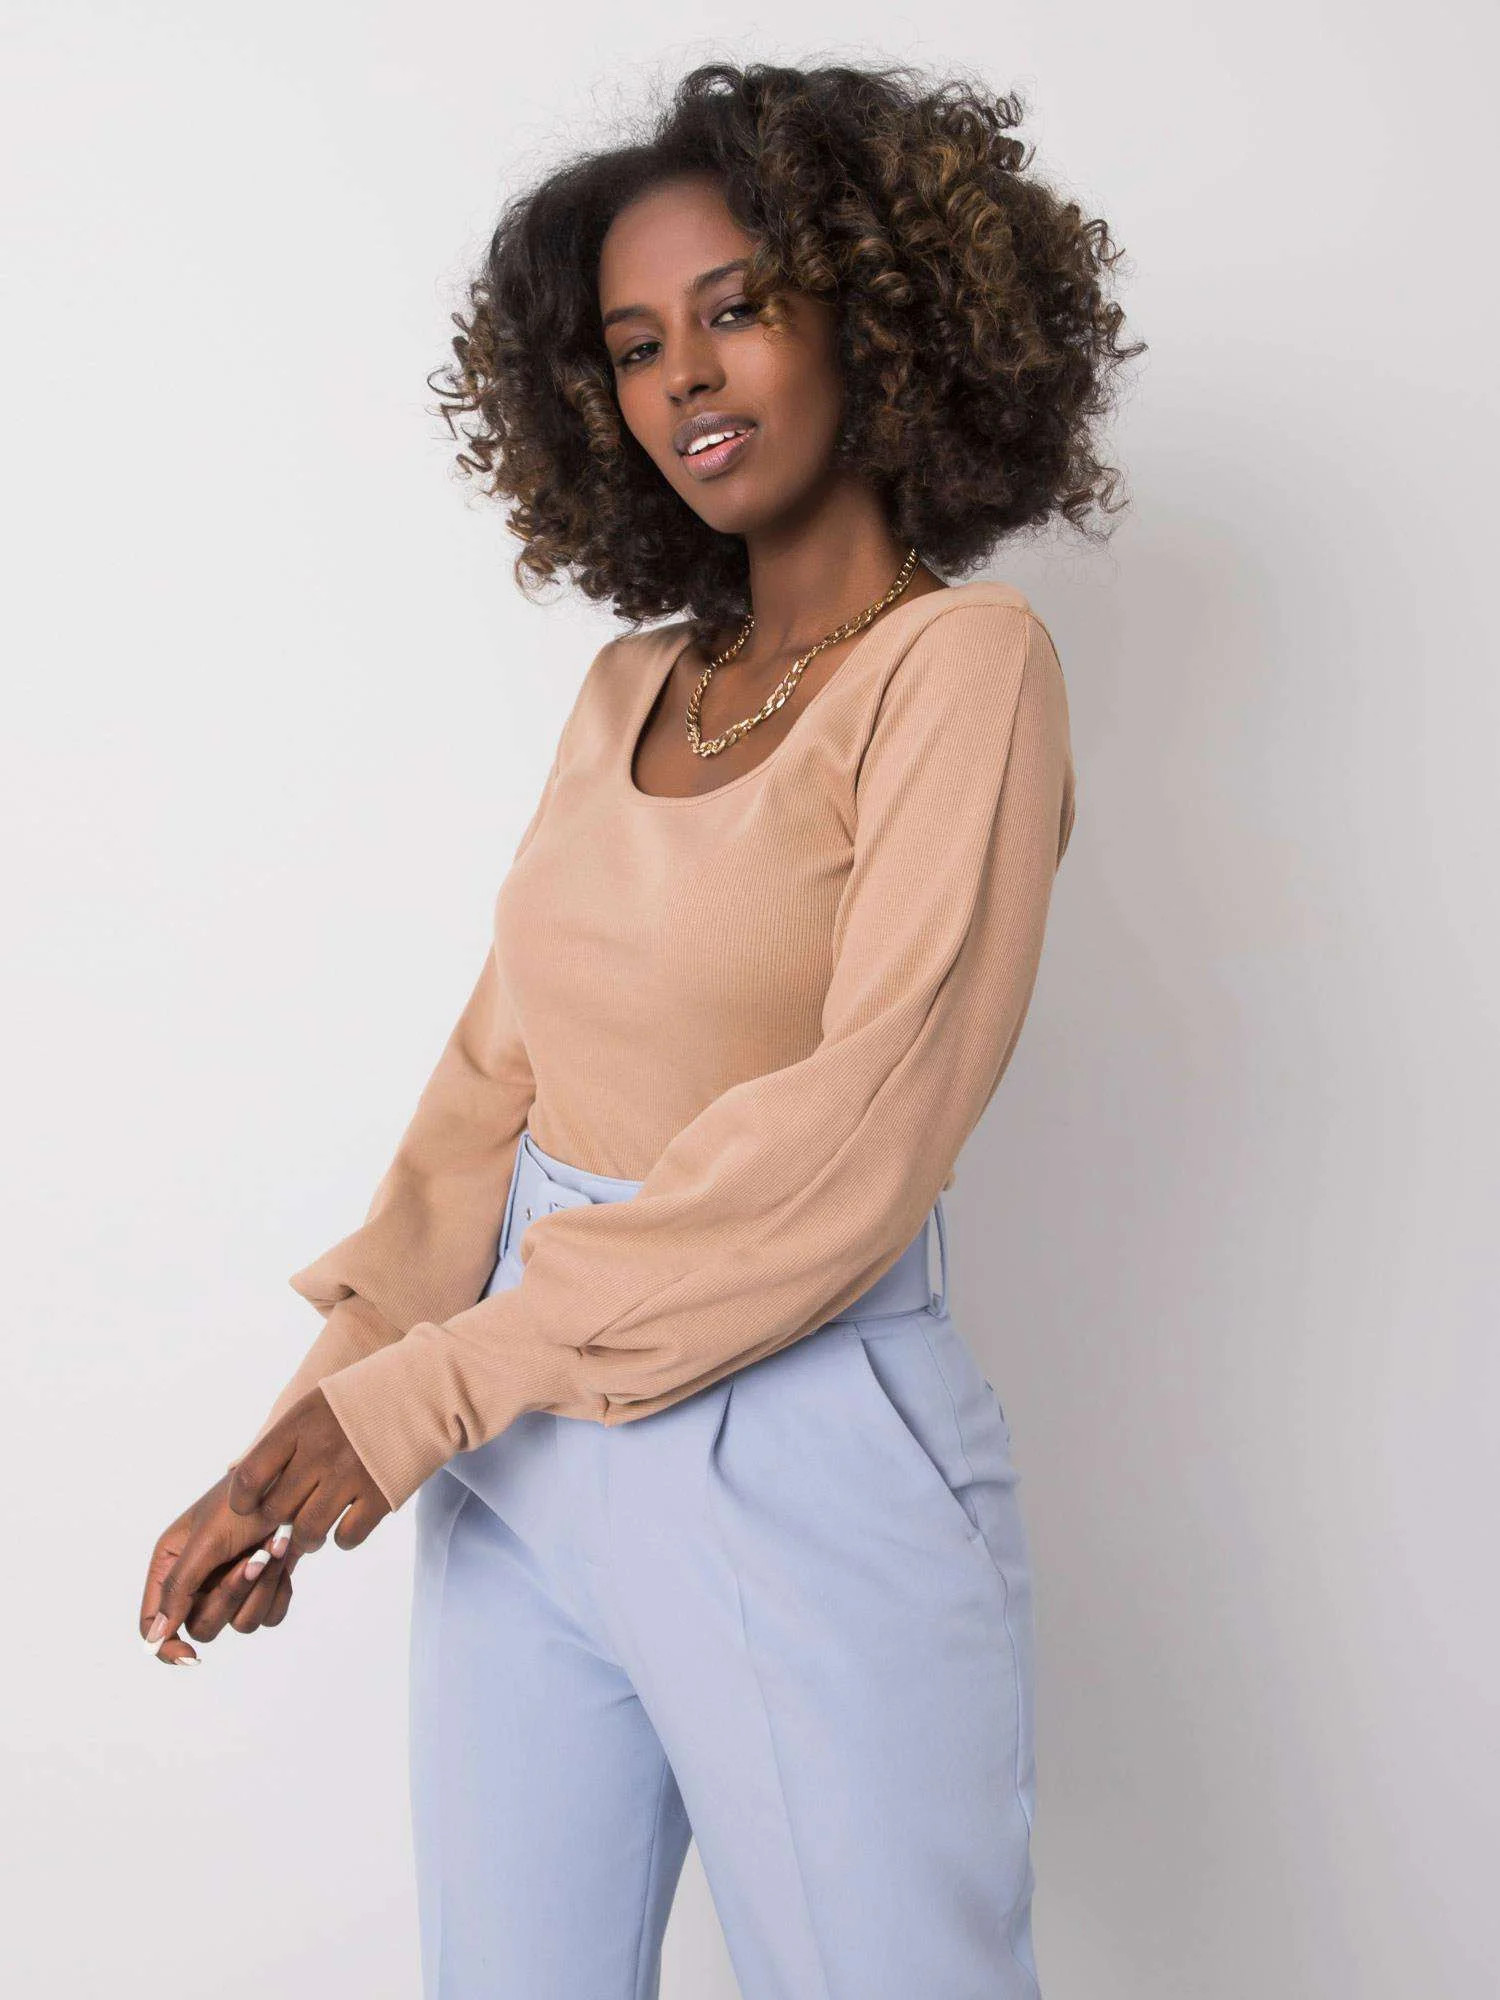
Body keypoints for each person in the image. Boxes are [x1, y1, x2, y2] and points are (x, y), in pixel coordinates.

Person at [139, 58, 1140, 2000]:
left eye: (738, 308)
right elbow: (484, 1105)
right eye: (633, 345)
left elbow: (852, 1148)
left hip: (799, 1430)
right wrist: (302, 1436)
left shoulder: (962, 671)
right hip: (519, 1445)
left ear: (879, 317)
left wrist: (417, 1401)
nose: (687, 376)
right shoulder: (627, 691)